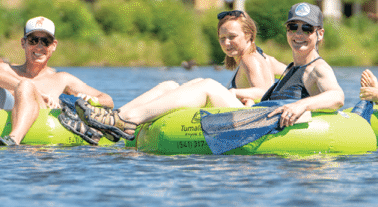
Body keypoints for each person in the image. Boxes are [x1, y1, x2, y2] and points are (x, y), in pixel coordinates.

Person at [72, 9, 283, 141]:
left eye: (232, 37)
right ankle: (115, 118)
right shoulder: (266, 58)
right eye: (222, 38)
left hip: (254, 120)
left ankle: (127, 118)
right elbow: (294, 72)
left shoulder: (250, 58)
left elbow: (264, 91)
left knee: (207, 84)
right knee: (170, 86)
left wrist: (235, 91)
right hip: (248, 113)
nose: (226, 43)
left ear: (248, 35)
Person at [0, 16, 117, 146]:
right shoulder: (7, 69)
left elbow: (107, 99)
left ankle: (13, 139)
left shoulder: (62, 78)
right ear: (23, 43)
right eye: (34, 40)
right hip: (3, 113)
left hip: (40, 116)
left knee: (26, 85)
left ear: (53, 45)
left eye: (45, 41)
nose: (39, 46)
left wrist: (91, 101)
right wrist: (30, 88)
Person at [261, 3, 346, 129]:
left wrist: (302, 104)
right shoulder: (291, 68)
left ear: (320, 34)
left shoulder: (318, 68)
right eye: (293, 27)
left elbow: (337, 96)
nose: (298, 34)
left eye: (307, 29)